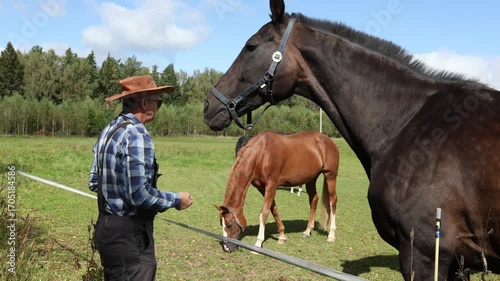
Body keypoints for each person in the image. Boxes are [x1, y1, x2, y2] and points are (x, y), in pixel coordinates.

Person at [88, 75, 193, 281]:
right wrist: (176, 199)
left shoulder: (109, 130)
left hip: (107, 229)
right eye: (158, 102)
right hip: (130, 236)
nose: (158, 106)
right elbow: (139, 194)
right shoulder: (137, 134)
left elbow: (94, 181)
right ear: (145, 103)